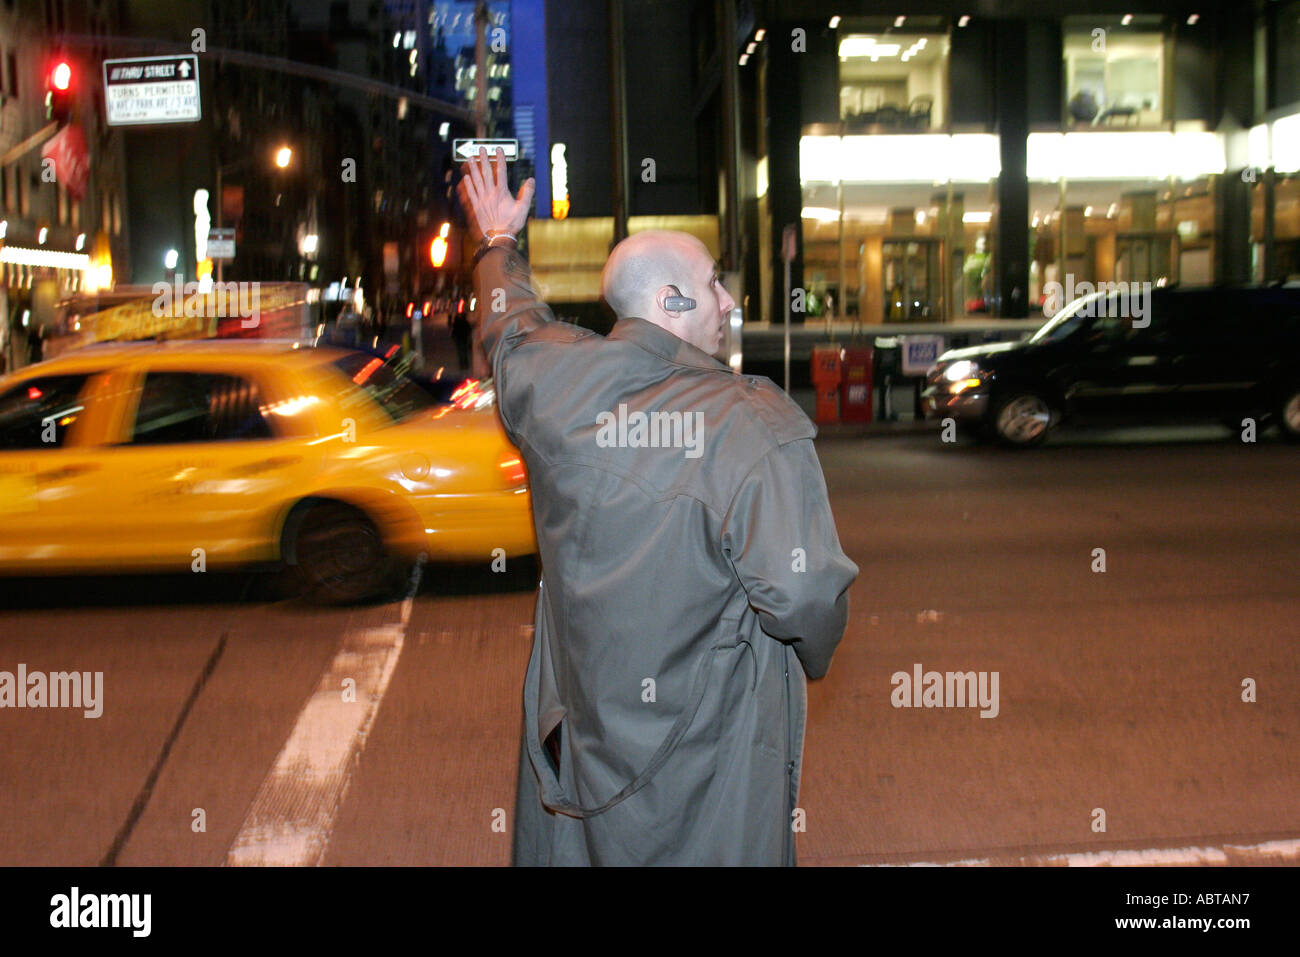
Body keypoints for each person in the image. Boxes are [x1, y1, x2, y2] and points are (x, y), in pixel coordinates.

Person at [458, 148, 858, 866]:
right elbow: (807, 594)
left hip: (580, 759)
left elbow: (507, 329)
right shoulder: (748, 423)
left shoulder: (552, 387)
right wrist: (815, 653)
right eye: (714, 286)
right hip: (709, 770)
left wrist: (496, 243)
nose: (730, 302)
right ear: (672, 302)